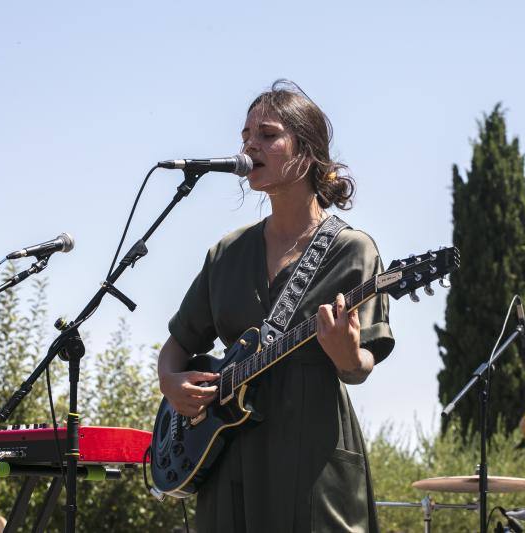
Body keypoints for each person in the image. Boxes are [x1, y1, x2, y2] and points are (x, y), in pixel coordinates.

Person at [156, 80, 394, 533]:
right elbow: (178, 346)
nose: (250, 145)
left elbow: (361, 365)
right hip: (227, 453)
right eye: (245, 135)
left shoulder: (352, 250)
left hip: (311, 453)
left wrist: (346, 353)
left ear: (306, 150)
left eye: (267, 134)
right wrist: (170, 382)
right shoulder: (227, 253)